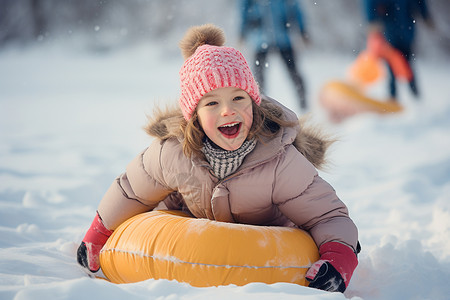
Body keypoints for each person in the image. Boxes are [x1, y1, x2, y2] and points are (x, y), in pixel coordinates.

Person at [77, 24, 359, 293]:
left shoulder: (278, 160)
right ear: (194, 115)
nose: (227, 111)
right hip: (185, 239)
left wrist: (339, 254)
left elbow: (325, 213)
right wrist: (98, 234)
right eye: (212, 102)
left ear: (253, 103)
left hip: (266, 244)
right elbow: (131, 191)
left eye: (239, 98)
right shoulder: (172, 153)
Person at [239, 0, 309, 110]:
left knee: (293, 72)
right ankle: (259, 105)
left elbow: (295, 10)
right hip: (260, 38)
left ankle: (303, 104)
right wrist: (241, 32)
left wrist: (303, 30)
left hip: (282, 37)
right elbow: (243, 11)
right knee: (258, 76)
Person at [362, 0, 434, 101]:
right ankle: (394, 97)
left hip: (406, 28)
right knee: (392, 64)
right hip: (390, 29)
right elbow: (370, 2)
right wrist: (372, 20)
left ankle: (414, 96)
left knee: (406, 62)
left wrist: (425, 15)